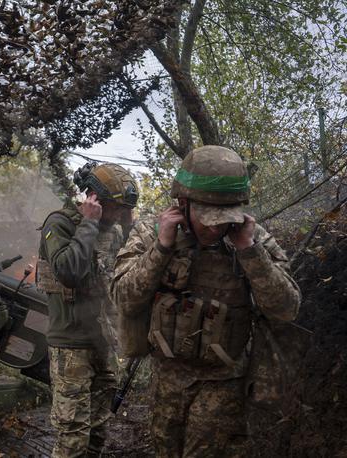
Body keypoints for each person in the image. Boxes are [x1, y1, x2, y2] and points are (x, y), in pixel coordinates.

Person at [110, 145, 301, 457]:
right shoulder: (152, 233)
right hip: (168, 378)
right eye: (206, 217)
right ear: (182, 203)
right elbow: (125, 299)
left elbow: (286, 309)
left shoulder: (252, 239)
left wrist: (249, 252)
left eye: (224, 218)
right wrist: (161, 248)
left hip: (224, 379)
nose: (215, 227)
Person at [36, 161, 139, 457]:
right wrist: (89, 223)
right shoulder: (60, 224)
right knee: (72, 435)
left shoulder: (113, 230)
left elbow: (131, 266)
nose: (118, 214)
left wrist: (128, 222)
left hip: (103, 342)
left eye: (123, 209)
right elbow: (69, 271)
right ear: (93, 198)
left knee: (98, 429)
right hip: (71, 345)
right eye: (114, 207)